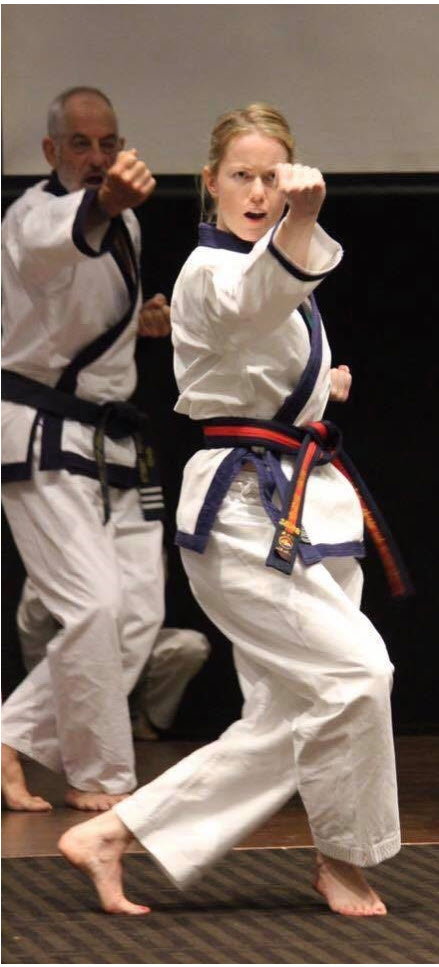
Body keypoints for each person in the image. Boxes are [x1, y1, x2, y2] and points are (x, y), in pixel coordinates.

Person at [59, 103, 405, 916]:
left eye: (271, 177)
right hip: (246, 511)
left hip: (307, 502)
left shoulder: (265, 265)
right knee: (358, 673)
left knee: (296, 711)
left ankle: (112, 834)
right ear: (210, 182)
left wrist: (319, 388)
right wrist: (303, 220)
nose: (257, 192)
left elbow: (254, 346)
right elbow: (251, 305)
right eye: (241, 176)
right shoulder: (209, 269)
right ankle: (340, 856)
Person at [1, 86, 207, 813]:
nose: (96, 156)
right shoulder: (32, 216)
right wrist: (104, 202)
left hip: (114, 436)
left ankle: (9, 736)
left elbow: (73, 313)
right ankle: (98, 774)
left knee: (137, 614)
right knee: (92, 606)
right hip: (42, 433)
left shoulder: (129, 225)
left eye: (108, 143)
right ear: (51, 150)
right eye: (80, 144)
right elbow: (65, 238)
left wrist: (136, 324)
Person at [16, 576, 210, 740]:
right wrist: (47, 690)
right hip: (78, 663)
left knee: (189, 645)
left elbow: (147, 611)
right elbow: (33, 627)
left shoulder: (146, 547)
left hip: (129, 648)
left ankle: (142, 720)